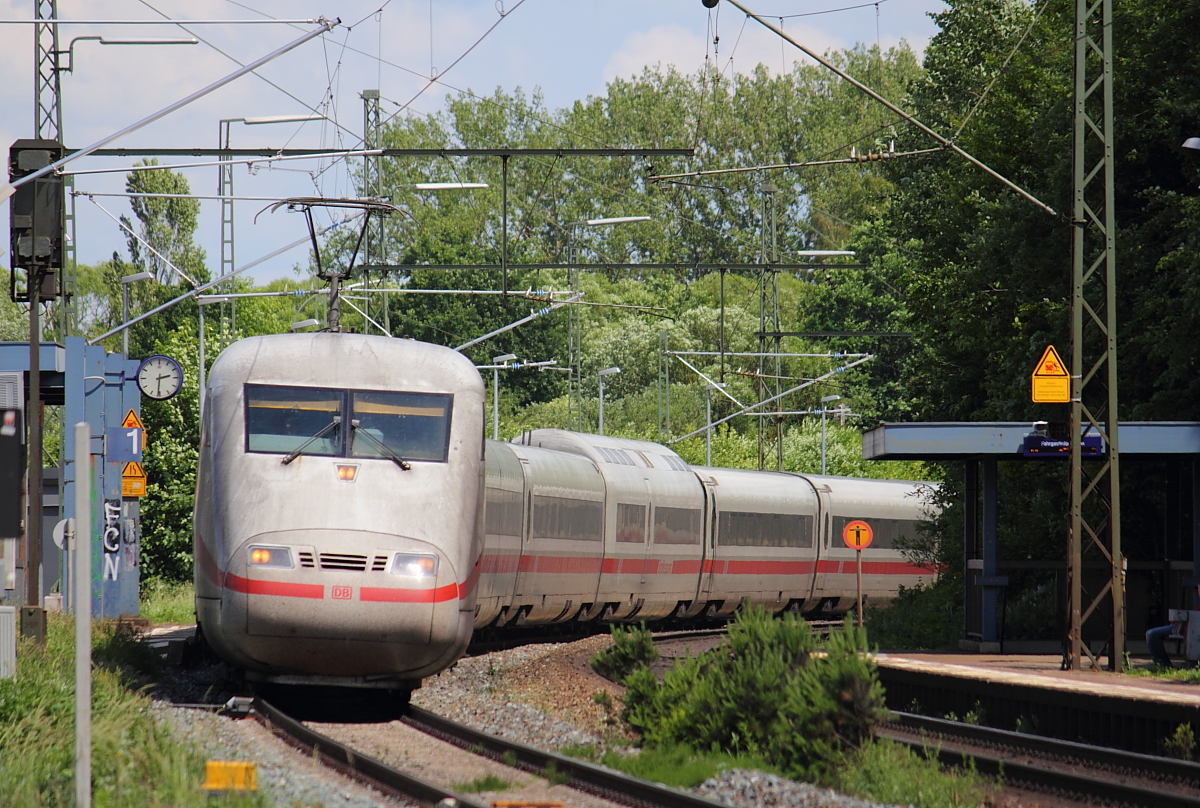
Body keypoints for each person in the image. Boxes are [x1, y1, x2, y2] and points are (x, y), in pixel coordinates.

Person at [1146, 584, 1200, 669]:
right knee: (1151, 633)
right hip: (1187, 628)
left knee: (1152, 634)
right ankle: (1163, 666)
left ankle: (1164, 665)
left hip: (1187, 629)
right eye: (1198, 588)